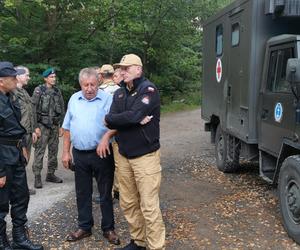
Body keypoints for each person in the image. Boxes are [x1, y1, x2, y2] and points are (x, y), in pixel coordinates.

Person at [105, 54, 165, 250]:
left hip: (145, 156)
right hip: (123, 155)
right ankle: (138, 242)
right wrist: (131, 119)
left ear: (138, 69)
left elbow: (130, 116)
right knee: (128, 202)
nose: (122, 71)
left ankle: (156, 246)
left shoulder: (148, 89)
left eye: (126, 68)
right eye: (120, 68)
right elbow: (109, 119)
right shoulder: (119, 93)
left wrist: (129, 118)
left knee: (149, 206)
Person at [61, 67, 120, 245]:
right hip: (79, 154)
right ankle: (84, 226)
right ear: (80, 85)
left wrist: (106, 137)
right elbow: (67, 127)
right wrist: (65, 152)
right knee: (82, 192)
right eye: (85, 85)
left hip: (102, 153)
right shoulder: (73, 99)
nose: (89, 88)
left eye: (92, 84)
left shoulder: (108, 99)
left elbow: (118, 123)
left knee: (105, 192)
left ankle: (108, 228)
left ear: (99, 82)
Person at [0, 61, 43, 250]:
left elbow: (16, 129)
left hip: (15, 153)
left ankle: (19, 238)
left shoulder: (10, 97)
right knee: (1, 203)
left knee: (21, 196)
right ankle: (2, 241)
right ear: (1, 81)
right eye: (12, 77)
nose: (15, 79)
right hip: (2, 156)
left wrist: (22, 147)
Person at [31, 68, 65, 188]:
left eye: (55, 77)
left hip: (55, 126)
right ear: (45, 78)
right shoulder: (39, 90)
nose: (54, 79)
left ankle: (51, 174)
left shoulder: (57, 91)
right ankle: (37, 176)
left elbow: (62, 108)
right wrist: (35, 127)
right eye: (51, 77)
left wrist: (62, 126)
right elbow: (33, 110)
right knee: (40, 151)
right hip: (42, 125)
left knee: (53, 150)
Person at [13, 66, 41, 195]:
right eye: (27, 75)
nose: (29, 77)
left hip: (27, 133)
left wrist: (34, 129)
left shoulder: (24, 92)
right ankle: (15, 189)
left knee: (24, 161)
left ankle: (21, 187)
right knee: (16, 162)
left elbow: (30, 113)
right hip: (17, 135)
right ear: (18, 76)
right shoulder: (12, 93)